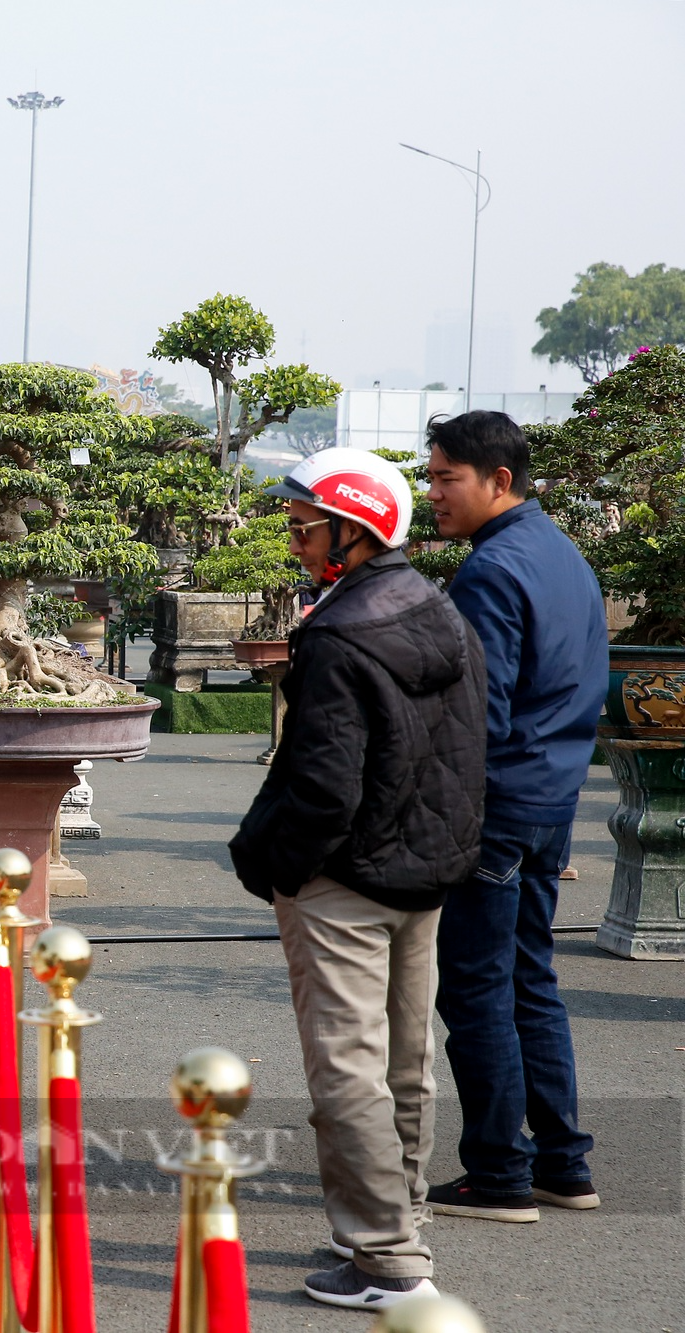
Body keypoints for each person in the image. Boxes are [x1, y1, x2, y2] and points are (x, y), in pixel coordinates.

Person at [229, 447, 487, 1310]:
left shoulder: (341, 630)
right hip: (422, 868)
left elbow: (323, 782)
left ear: (355, 529)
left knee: (346, 1066)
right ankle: (397, 1219)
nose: (296, 540)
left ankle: (385, 1259)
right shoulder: (438, 608)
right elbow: (463, 752)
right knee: (407, 1060)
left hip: (345, 873)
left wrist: (279, 865)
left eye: (306, 526)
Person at [423, 410, 607, 1221]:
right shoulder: (563, 554)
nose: (433, 493)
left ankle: (499, 1172)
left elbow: (478, 716)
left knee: (476, 990)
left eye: (446, 477)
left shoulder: (491, 570)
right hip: (551, 799)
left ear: (500, 481)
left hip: (496, 805)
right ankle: (562, 1164)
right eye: (430, 477)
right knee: (530, 979)